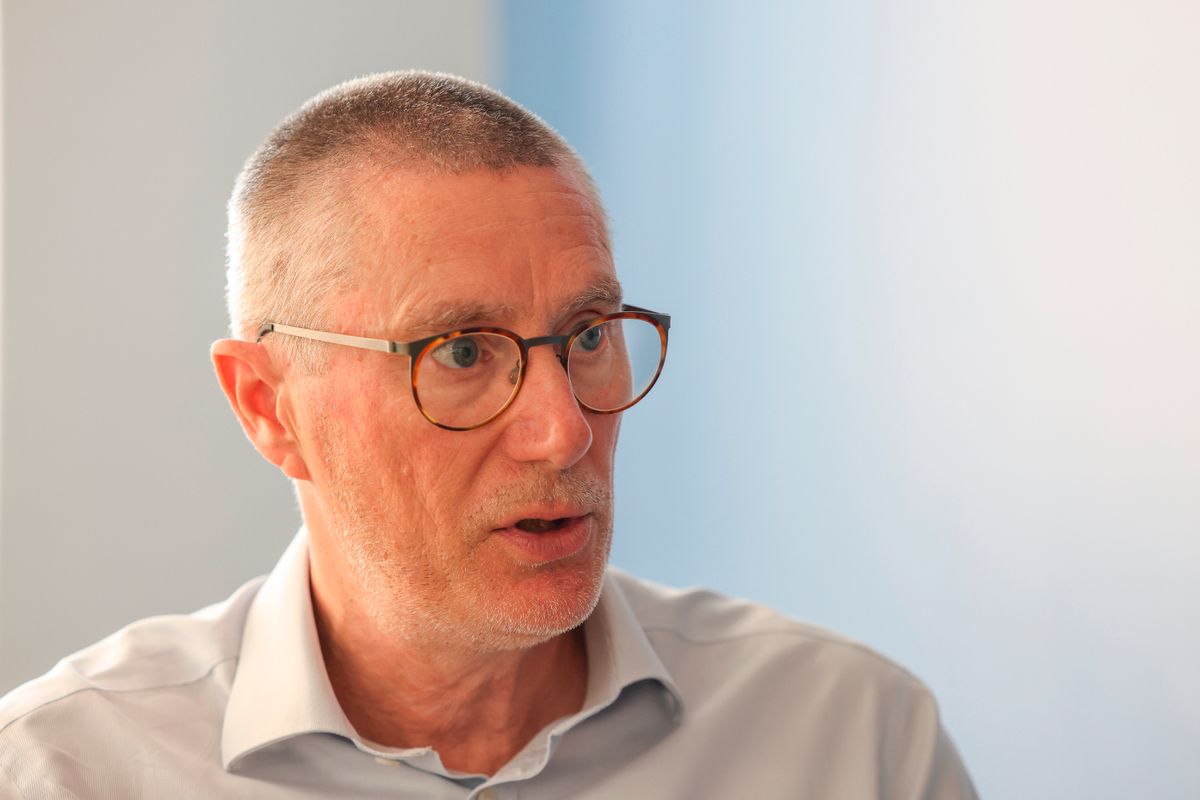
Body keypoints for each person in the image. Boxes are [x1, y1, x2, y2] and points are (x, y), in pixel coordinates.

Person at [0, 71, 977, 799]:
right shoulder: (66, 770)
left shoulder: (855, 740)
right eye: (462, 351)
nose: (562, 431)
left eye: (589, 335)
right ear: (269, 405)